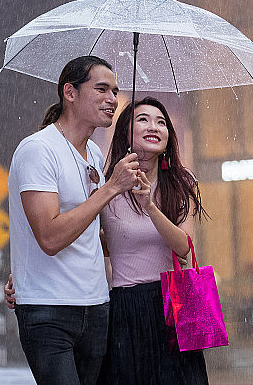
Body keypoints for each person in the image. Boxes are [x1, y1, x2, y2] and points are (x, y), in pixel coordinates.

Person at [7, 55, 140, 385]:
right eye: (101, 89)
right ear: (70, 92)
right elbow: (50, 238)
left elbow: (91, 233)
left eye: (115, 91)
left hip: (96, 305)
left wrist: (148, 216)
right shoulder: (38, 150)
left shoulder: (94, 153)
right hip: (48, 309)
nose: (112, 99)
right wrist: (109, 189)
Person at [97, 97, 209, 384]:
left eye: (161, 122)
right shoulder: (105, 187)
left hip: (173, 304)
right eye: (144, 119)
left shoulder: (182, 184)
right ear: (126, 132)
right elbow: (88, 243)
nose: (154, 126)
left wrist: (150, 206)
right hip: (126, 307)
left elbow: (184, 246)